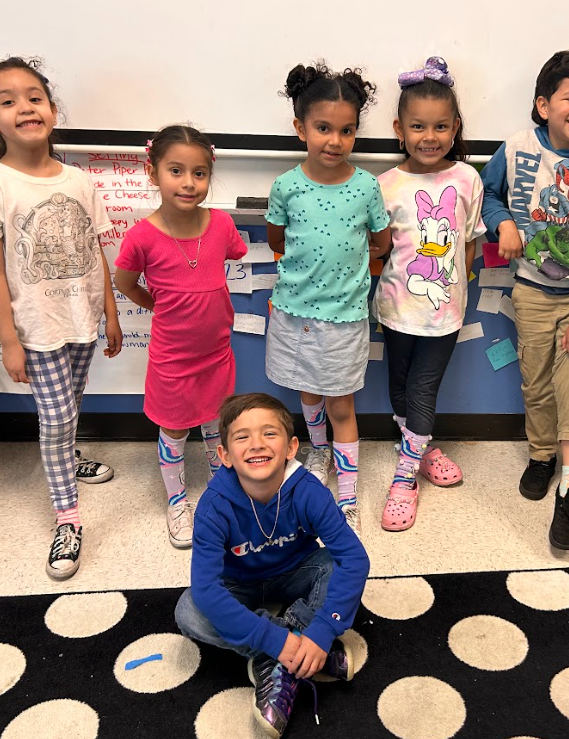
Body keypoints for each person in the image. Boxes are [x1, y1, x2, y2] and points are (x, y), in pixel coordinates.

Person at [0, 57, 122, 579]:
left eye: (34, 97)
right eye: (8, 101)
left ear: (52, 109)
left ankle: (68, 456)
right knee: (54, 418)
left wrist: (110, 313)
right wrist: (9, 341)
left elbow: (96, 252)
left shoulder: (80, 180)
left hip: (82, 319)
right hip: (36, 327)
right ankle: (68, 517)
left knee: (70, 403)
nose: (26, 108)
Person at [480, 48, 569, 550]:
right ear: (544, 105)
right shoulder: (516, 148)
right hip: (532, 293)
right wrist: (502, 222)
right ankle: (542, 456)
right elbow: (487, 193)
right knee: (537, 382)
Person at [174, 393, 369, 738]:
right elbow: (206, 589)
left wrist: (322, 631)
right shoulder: (213, 506)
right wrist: (274, 640)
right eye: (242, 437)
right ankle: (288, 652)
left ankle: (302, 645)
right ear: (225, 455)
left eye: (269, 433)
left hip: (297, 570)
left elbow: (354, 558)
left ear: (291, 447)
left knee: (335, 567)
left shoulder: (310, 491)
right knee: (189, 611)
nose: (256, 444)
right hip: (238, 583)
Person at [264, 62, 391, 539]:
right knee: (307, 391)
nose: (335, 141)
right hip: (294, 313)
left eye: (346, 130)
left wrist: (347, 268)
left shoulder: (366, 187)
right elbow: (277, 239)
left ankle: (349, 497)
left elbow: (380, 242)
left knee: (342, 405)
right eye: (323, 128)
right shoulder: (286, 186)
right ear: (300, 128)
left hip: (344, 319)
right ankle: (319, 454)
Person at [115, 125, 248, 548]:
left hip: (217, 354)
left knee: (215, 423)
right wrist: (156, 304)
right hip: (172, 360)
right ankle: (176, 500)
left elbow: (233, 255)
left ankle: (221, 489)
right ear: (152, 172)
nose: (189, 182)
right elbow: (124, 283)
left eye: (199, 173)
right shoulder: (141, 236)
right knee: (174, 429)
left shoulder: (221, 224)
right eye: (176, 171)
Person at [372, 57, 485, 531]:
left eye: (441, 126)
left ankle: (405, 477)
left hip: (443, 313)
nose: (430, 136)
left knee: (423, 387)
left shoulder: (467, 179)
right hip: (395, 307)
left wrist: (452, 288)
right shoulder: (385, 185)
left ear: (455, 128)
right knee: (399, 384)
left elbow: (470, 244)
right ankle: (419, 448)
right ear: (399, 129)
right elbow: (379, 249)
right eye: (418, 126)